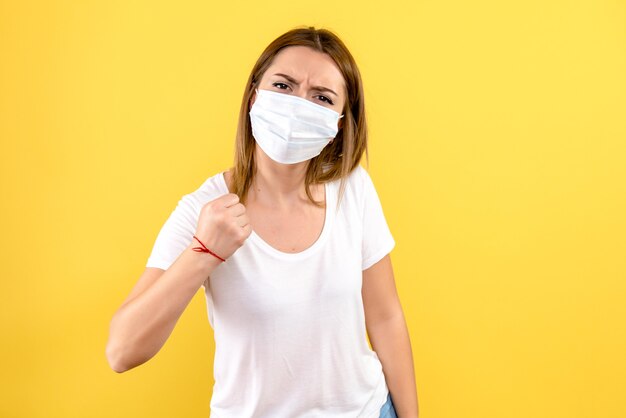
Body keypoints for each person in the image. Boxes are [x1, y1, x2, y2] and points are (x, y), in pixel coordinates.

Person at [106, 26, 419, 418]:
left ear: (339, 123)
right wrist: (203, 252)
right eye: (284, 86)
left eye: (321, 97)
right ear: (254, 95)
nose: (298, 105)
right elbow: (121, 351)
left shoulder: (352, 188)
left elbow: (386, 317)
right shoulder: (203, 209)